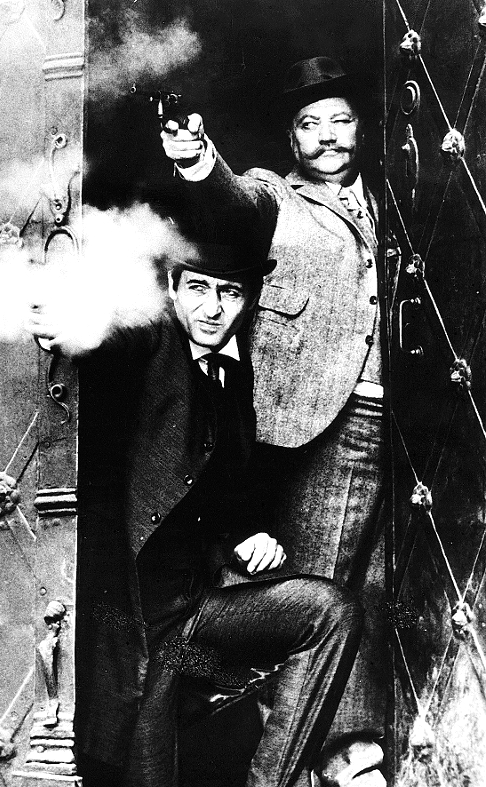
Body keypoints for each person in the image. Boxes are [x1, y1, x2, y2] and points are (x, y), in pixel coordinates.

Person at [26, 239, 363, 787]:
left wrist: (245, 536)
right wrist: (76, 323)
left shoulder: (234, 375)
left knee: (331, 611)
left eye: (230, 293)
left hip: (193, 626)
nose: (212, 308)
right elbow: (116, 336)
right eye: (198, 289)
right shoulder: (153, 342)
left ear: (251, 299)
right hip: (132, 633)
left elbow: (214, 490)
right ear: (172, 289)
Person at [160, 57, 387, 786]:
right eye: (309, 124)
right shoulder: (275, 194)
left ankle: (349, 748)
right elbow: (231, 204)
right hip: (314, 418)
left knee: (369, 583)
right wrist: (198, 159)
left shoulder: (394, 199)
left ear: (363, 128)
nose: (327, 136)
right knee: (317, 590)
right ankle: (326, 758)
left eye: (340, 120)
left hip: (405, 421)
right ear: (290, 140)